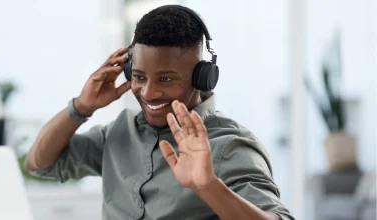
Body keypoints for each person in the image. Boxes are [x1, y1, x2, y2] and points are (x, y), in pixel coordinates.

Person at [23, 5, 293, 220]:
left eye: (165, 79)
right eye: (139, 77)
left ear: (202, 78)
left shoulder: (230, 146)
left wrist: (208, 186)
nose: (148, 93)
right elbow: (39, 164)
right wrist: (81, 108)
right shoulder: (120, 131)